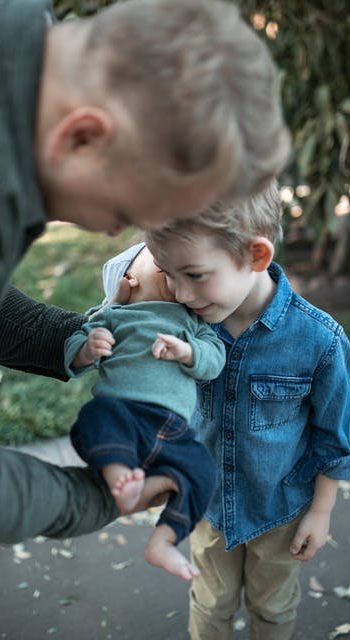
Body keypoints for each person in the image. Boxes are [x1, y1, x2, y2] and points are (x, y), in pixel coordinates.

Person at [0, 0, 290, 543]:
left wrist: (80, 339)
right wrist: (95, 499)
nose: (116, 235)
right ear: (82, 138)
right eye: (126, 214)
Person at [103, 180, 350, 638]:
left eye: (195, 275)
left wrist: (321, 512)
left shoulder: (319, 341)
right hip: (209, 510)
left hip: (281, 512)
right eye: (168, 273)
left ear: (256, 256)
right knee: (209, 604)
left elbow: (332, 437)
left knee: (274, 608)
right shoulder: (179, 323)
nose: (180, 294)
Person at [64, 244, 226, 580]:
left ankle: (164, 540)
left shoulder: (191, 321)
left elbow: (214, 360)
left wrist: (188, 352)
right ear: (129, 279)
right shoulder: (113, 316)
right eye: (161, 262)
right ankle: (119, 476)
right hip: (123, 416)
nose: (174, 268)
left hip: (174, 432)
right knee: (95, 416)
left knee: (204, 471)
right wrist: (86, 348)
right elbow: (73, 353)